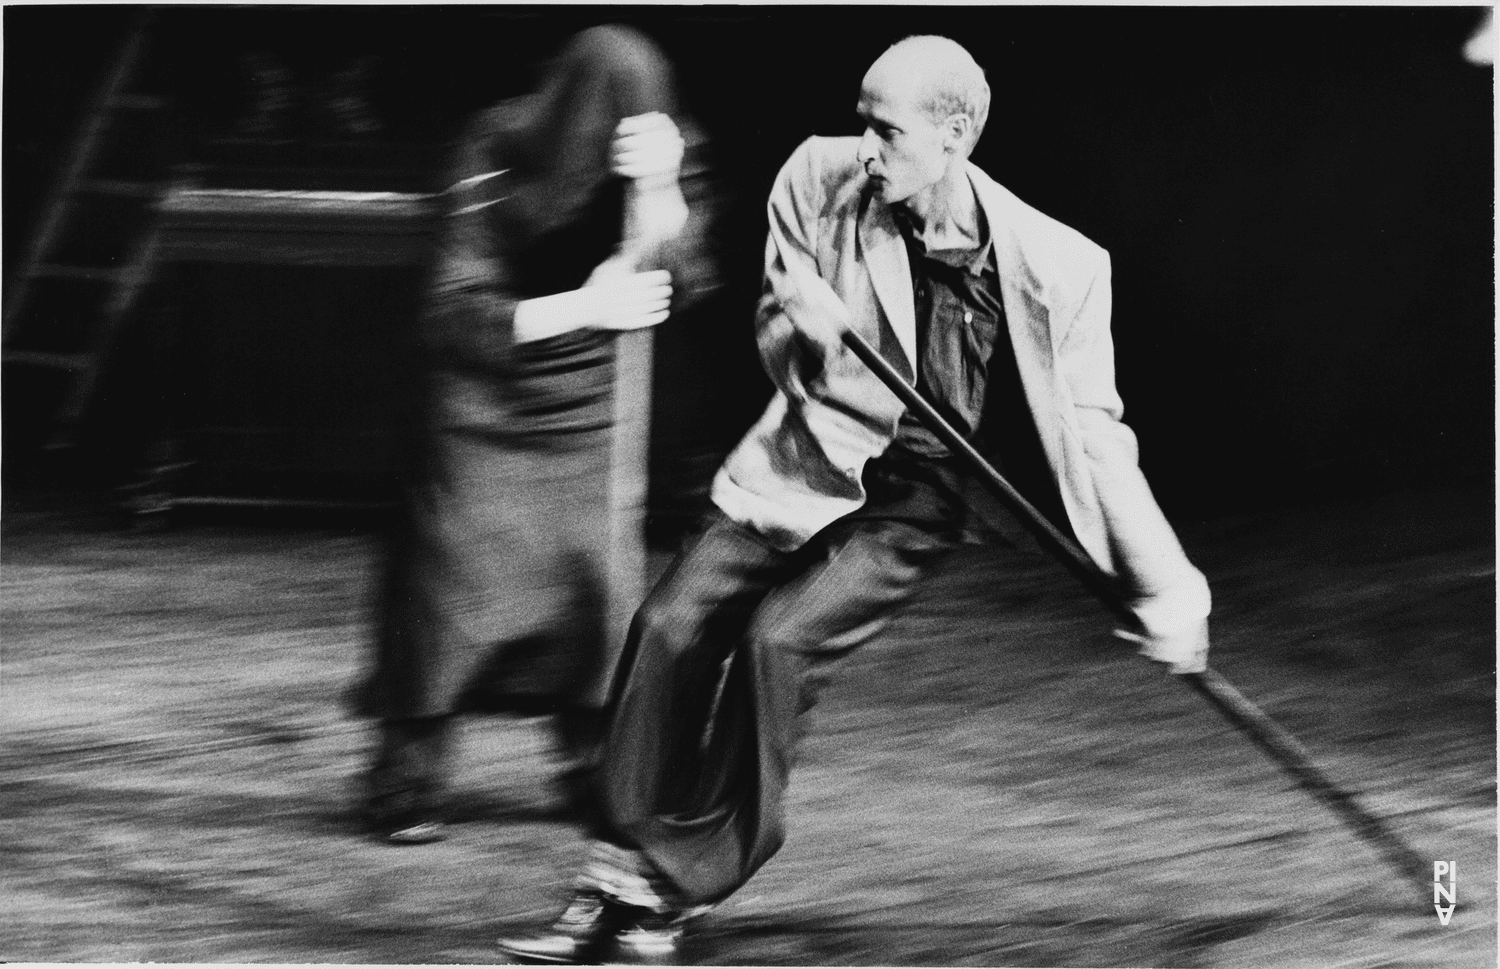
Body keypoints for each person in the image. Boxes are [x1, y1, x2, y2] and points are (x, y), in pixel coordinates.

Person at [498, 34, 1212, 965]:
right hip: (803, 460)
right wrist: (812, 331)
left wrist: (1170, 585)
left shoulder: (1063, 267)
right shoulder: (816, 177)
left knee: (776, 644)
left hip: (919, 499)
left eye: (887, 131)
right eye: (862, 123)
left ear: (955, 135)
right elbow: (776, 344)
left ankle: (672, 885)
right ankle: (614, 869)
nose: (866, 148)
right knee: (670, 624)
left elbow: (1098, 439)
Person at [353, 25, 715, 845]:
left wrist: (661, 192)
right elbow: (449, 311)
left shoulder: (669, 150)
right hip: (486, 393)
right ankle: (406, 769)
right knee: (451, 580)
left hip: (592, 403)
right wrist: (577, 308)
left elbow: (684, 279)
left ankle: (588, 762)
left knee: (597, 585)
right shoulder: (496, 141)